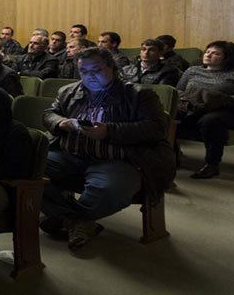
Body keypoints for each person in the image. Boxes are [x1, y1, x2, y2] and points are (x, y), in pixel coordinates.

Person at [40, 47, 173, 251]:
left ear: (112, 67)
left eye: (96, 70)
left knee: (109, 189)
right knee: (26, 168)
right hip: (70, 155)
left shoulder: (139, 95)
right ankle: (75, 220)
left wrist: (110, 131)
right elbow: (50, 113)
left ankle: (65, 217)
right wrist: (61, 123)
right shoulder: (68, 92)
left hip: (117, 161)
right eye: (84, 71)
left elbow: (157, 128)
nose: (89, 76)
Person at [176, 41, 234, 178]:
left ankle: (212, 164)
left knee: (210, 120)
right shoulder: (192, 70)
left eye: (215, 53)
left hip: (226, 111)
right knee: (169, 114)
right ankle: (172, 155)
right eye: (207, 52)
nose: (208, 55)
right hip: (193, 107)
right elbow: (178, 91)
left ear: (227, 57)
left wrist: (219, 98)